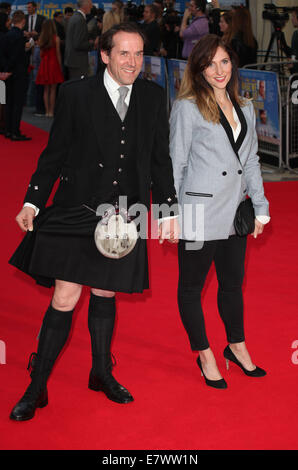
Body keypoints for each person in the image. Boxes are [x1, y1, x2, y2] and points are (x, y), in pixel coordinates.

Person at [9, 22, 179, 422]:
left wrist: (168, 210)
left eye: (139, 54)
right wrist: (33, 202)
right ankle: (37, 387)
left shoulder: (154, 97)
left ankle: (101, 372)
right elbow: (54, 154)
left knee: (105, 293)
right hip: (78, 209)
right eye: (124, 53)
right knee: (65, 297)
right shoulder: (76, 94)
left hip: (124, 215)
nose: (133, 62)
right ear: (105, 55)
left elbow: (159, 159)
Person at [169, 34, 270, 389]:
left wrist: (261, 206)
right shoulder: (187, 106)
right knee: (191, 288)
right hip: (198, 212)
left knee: (232, 285)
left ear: (233, 64)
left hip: (234, 212)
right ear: (198, 68)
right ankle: (204, 353)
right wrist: (171, 214)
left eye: (224, 62)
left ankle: (236, 346)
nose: (218, 70)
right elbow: (175, 162)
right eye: (209, 63)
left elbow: (252, 160)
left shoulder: (244, 105)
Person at [2, 10, 31, 141]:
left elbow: (4, 55)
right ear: (23, 21)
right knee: (17, 103)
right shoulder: (20, 37)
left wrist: (5, 70)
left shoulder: (6, 35)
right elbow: (17, 56)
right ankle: (15, 131)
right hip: (18, 73)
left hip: (8, 74)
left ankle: (8, 130)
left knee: (9, 102)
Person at [35, 19, 64, 117]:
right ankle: (51, 111)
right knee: (53, 90)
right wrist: (60, 66)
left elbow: (40, 54)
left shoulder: (41, 38)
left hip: (44, 64)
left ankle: (47, 111)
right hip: (53, 64)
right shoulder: (56, 38)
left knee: (45, 89)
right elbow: (58, 54)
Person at [64, 0, 94, 79]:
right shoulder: (79, 19)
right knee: (78, 87)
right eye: (91, 4)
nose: (92, 6)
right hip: (78, 62)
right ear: (85, 5)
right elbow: (78, 44)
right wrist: (93, 43)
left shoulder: (75, 17)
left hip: (74, 60)